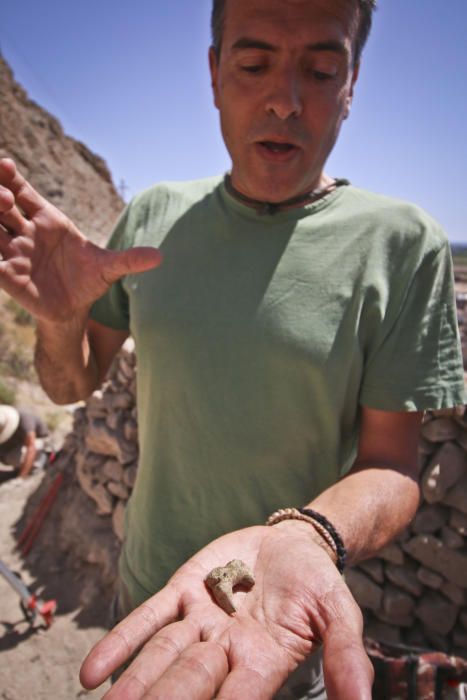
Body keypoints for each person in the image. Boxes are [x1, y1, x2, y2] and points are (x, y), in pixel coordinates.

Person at [0, 0, 464, 697]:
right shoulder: (152, 217)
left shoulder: (401, 245)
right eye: (253, 65)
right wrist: (61, 322)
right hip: (146, 601)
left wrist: (307, 536)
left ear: (351, 84)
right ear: (214, 73)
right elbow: (73, 384)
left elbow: (392, 467)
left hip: (279, 628)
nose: (284, 100)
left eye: (319, 68)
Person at [0, 405, 49, 478]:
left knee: (13, 457)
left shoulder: (26, 421)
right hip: (18, 441)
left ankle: (33, 466)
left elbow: (31, 448)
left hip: (39, 444)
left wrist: (22, 476)